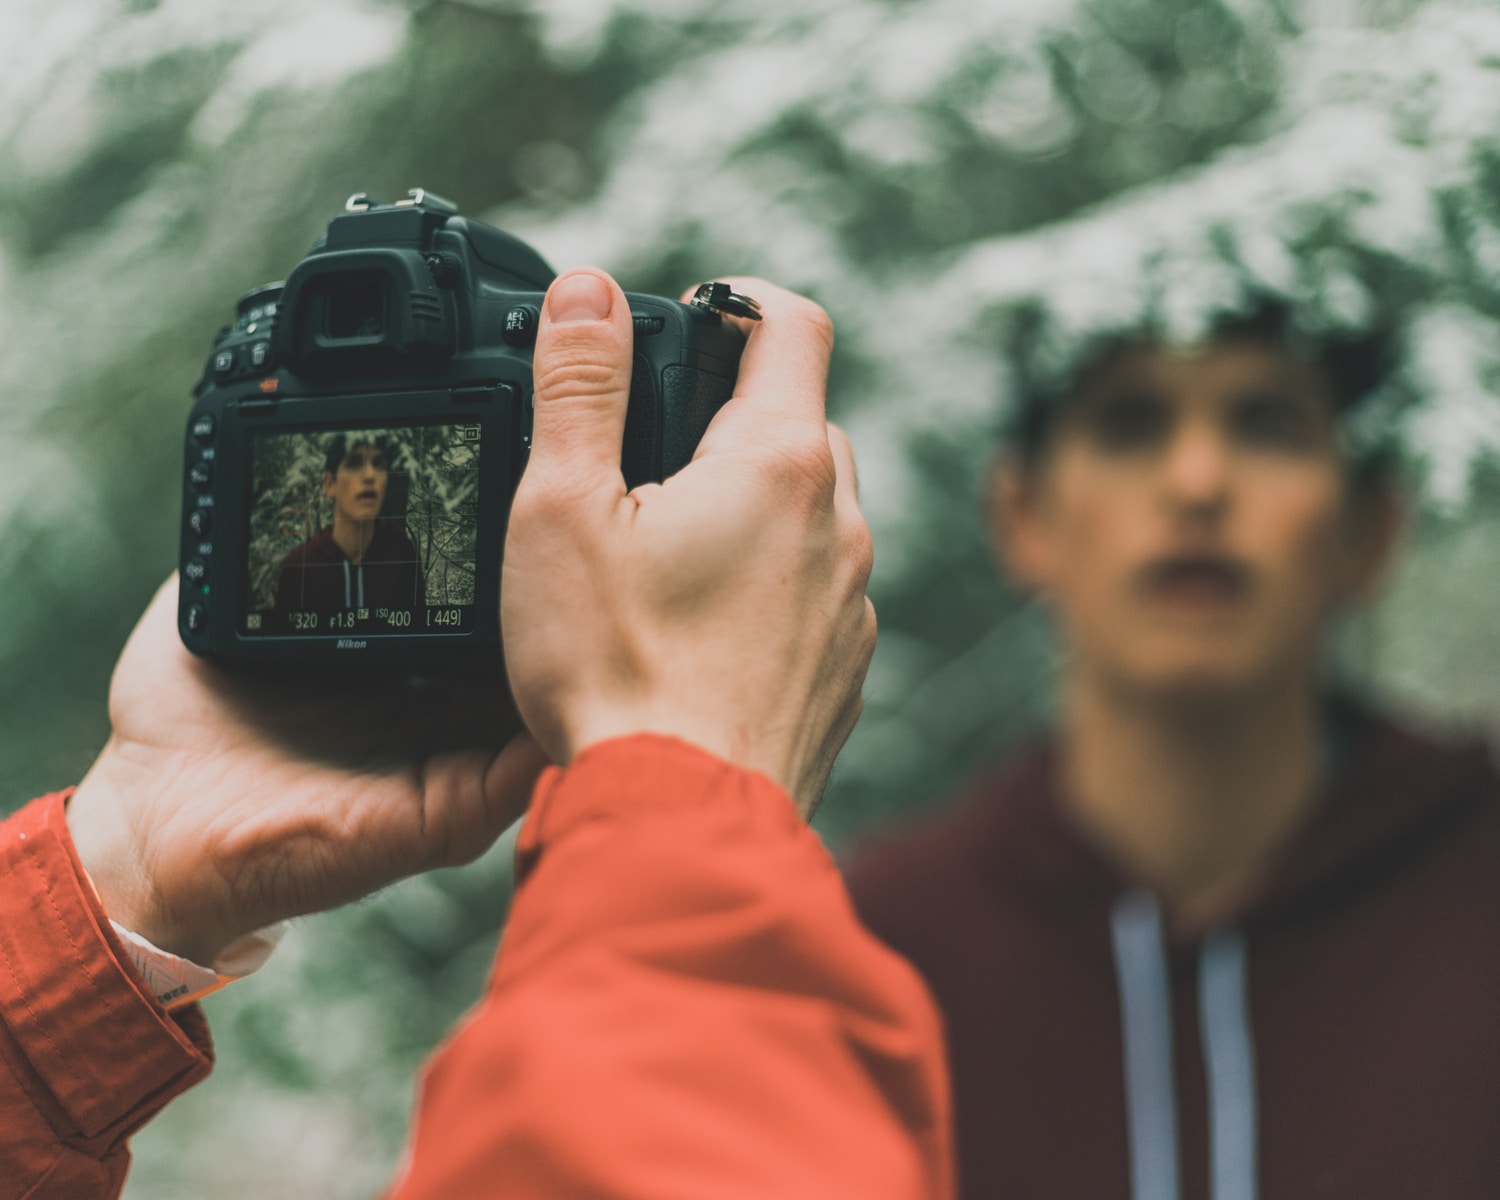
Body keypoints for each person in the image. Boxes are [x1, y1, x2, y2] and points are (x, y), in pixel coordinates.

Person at [0, 269, 952, 1199]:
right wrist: (694, 777)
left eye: (383, 473)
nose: (367, 489)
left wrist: (123, 867)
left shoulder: (415, 551)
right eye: (352, 474)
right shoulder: (299, 569)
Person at [846, 302, 1500, 1199]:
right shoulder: (877, 957)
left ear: (1372, 525)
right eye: (1129, 424)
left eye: (1268, 425)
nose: (1197, 481)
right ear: (1023, 515)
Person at [272, 434, 426, 620]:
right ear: (329, 485)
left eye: (378, 464)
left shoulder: (402, 554)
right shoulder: (299, 566)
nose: (370, 475)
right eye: (354, 463)